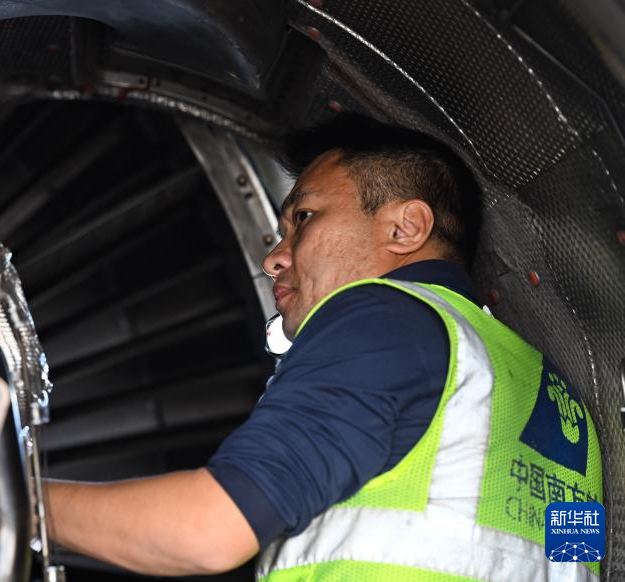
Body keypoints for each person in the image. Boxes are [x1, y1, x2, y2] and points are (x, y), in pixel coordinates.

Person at [44, 116, 603, 580]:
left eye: (303, 219)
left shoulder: (385, 318)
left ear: (406, 228)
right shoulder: (557, 400)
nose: (274, 258)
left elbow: (207, 529)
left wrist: (18, 500)